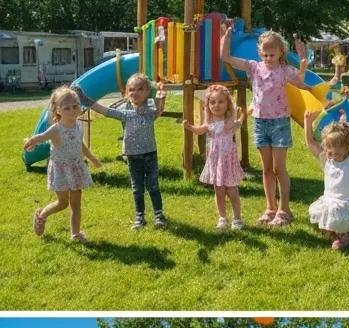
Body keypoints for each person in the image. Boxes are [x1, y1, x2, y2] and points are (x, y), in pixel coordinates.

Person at [219, 22, 313, 226]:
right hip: (260, 122)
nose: (268, 58)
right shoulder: (253, 67)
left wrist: (303, 63)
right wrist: (226, 37)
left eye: (272, 54)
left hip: (279, 123)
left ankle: (284, 210)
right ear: (260, 53)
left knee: (280, 168)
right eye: (265, 54)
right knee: (267, 169)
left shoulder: (285, 70)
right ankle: (270, 208)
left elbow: (300, 82)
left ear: (281, 52)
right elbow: (226, 58)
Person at [78, 72, 167, 230]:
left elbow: (159, 110)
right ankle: (140, 217)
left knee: (153, 185)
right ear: (126, 93)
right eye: (131, 89)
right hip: (132, 156)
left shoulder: (149, 111)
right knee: (137, 188)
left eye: (140, 89)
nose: (135, 92)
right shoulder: (125, 114)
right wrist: (85, 100)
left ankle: (158, 215)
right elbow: (104, 110)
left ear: (147, 92)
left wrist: (161, 95)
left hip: (150, 154)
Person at [24, 85, 102, 242]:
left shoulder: (78, 125)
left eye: (75, 106)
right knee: (62, 203)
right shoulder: (56, 129)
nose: (73, 110)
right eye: (67, 108)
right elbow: (41, 137)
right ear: (58, 110)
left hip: (76, 167)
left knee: (76, 203)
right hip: (60, 169)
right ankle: (42, 215)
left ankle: (75, 233)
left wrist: (92, 158)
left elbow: (80, 145)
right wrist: (31, 142)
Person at [182, 84, 246, 230]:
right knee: (219, 190)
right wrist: (190, 127)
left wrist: (243, 114)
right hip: (215, 161)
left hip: (228, 162)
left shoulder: (228, 122)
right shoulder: (209, 123)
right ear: (208, 105)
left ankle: (237, 218)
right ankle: (222, 217)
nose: (216, 105)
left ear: (227, 104)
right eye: (212, 102)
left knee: (232, 190)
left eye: (221, 102)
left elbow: (239, 122)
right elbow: (199, 130)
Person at [303, 110, 349, 251]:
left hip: (346, 203)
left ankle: (345, 235)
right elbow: (310, 143)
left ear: (347, 148)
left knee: (341, 220)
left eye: (337, 153)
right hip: (330, 200)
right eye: (329, 152)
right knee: (329, 218)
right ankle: (334, 232)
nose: (332, 155)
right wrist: (307, 123)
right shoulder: (327, 160)